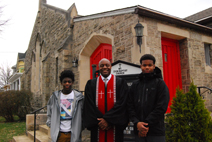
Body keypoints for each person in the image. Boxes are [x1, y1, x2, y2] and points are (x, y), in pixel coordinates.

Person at [83, 58, 129, 142]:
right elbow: (89, 105)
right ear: (98, 68)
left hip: (115, 126)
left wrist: (108, 120)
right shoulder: (91, 84)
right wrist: (101, 121)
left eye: (107, 65)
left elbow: (122, 104)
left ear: (111, 66)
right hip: (97, 126)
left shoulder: (120, 83)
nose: (105, 67)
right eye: (102, 66)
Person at [128, 54, 170, 142]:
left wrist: (146, 125)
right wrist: (137, 123)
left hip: (156, 131)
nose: (147, 67)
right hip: (138, 131)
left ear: (154, 66)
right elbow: (130, 105)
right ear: (141, 66)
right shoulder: (135, 85)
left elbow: (161, 107)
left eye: (149, 65)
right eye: (144, 65)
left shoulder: (160, 84)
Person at [46, 70, 84, 142]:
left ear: (72, 82)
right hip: (59, 134)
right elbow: (49, 112)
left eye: (69, 82)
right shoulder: (54, 97)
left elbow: (83, 112)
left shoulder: (79, 97)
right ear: (61, 83)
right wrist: (52, 125)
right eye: (64, 82)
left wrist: (80, 127)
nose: (67, 83)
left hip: (74, 134)